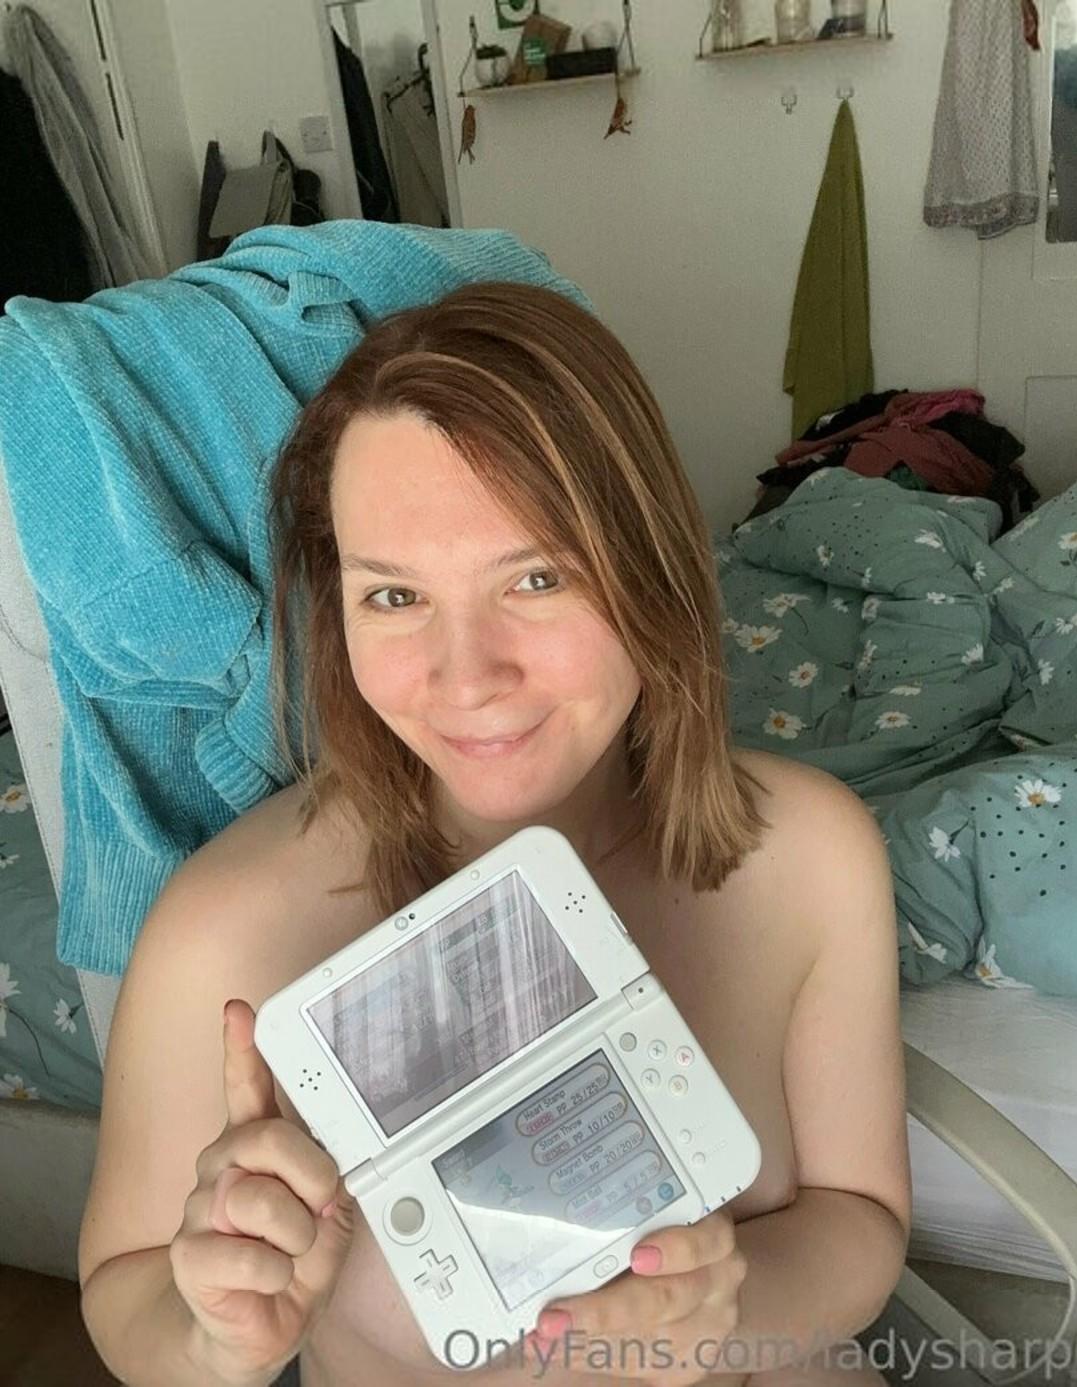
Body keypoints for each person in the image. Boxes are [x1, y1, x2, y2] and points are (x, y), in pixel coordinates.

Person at [77, 281, 910, 1387]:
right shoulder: (226, 935)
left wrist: (724, 1309)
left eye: (536, 576)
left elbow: (860, 1219)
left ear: (652, 569)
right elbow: (123, 1288)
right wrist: (210, 1334)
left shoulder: (810, 857)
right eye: (394, 597)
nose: (466, 676)